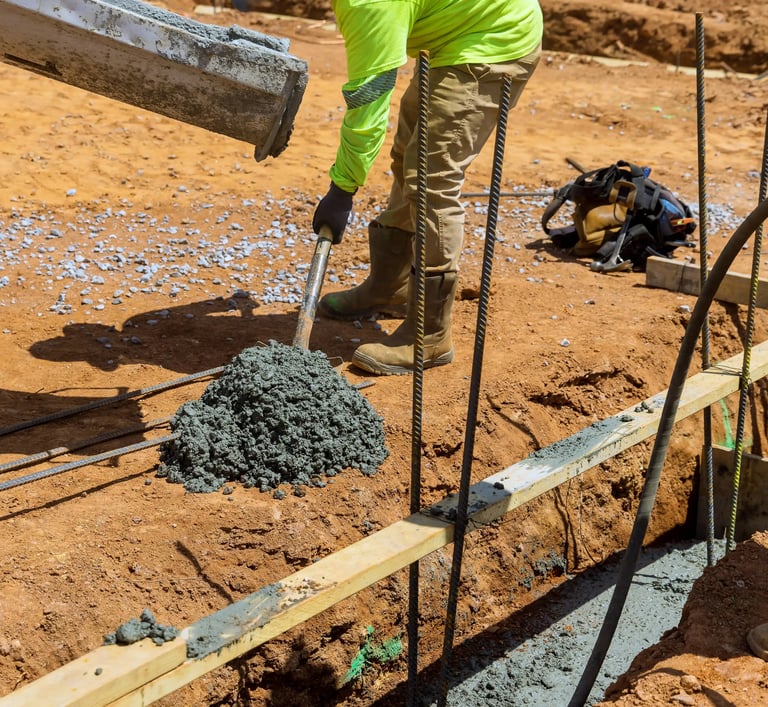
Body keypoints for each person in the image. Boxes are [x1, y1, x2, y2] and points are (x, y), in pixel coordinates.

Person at [312, 0, 543, 376]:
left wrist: (342, 188)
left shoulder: (368, 4)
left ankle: (430, 335)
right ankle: (392, 286)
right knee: (409, 155)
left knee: (431, 177)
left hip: (496, 36)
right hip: (460, 29)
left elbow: (369, 101)